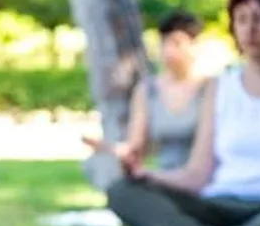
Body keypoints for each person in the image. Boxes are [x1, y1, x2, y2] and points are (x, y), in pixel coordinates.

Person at [104, 0, 260, 226]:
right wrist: (147, 175)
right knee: (122, 191)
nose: (251, 29)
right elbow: (198, 174)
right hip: (216, 203)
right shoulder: (220, 86)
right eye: (242, 19)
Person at [83, 10, 209, 181]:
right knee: (120, 192)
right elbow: (135, 146)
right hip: (165, 178)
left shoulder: (212, 88)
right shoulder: (148, 90)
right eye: (164, 43)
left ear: (195, 45)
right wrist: (113, 150)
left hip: (204, 180)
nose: (168, 51)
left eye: (177, 43)